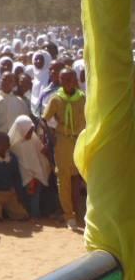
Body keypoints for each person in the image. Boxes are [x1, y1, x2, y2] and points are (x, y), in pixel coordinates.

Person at [42, 67, 86, 230]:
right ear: (60, 81)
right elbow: (44, 119)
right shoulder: (56, 99)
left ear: (75, 80)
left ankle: (81, 212)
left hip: (80, 140)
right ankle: (69, 215)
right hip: (63, 141)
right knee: (63, 178)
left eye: (70, 79)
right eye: (63, 79)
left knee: (81, 177)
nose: (67, 82)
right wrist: (51, 136)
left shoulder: (82, 98)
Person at [9, 114, 52, 218]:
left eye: (32, 130)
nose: (31, 133)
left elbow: (41, 152)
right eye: (29, 130)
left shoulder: (33, 139)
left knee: (36, 194)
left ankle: (35, 215)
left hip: (36, 175)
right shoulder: (14, 145)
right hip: (21, 178)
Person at [0, 133, 28, 221]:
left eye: (6, 144)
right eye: (1, 144)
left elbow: (17, 177)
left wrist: (19, 195)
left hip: (10, 193)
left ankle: (6, 211)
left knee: (23, 216)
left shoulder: (12, 158)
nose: (4, 147)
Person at [0, 72, 31, 138]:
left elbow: (25, 122)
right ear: (0, 80)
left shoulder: (20, 102)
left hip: (14, 140)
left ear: (14, 84)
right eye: (4, 79)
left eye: (10, 81)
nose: (7, 83)